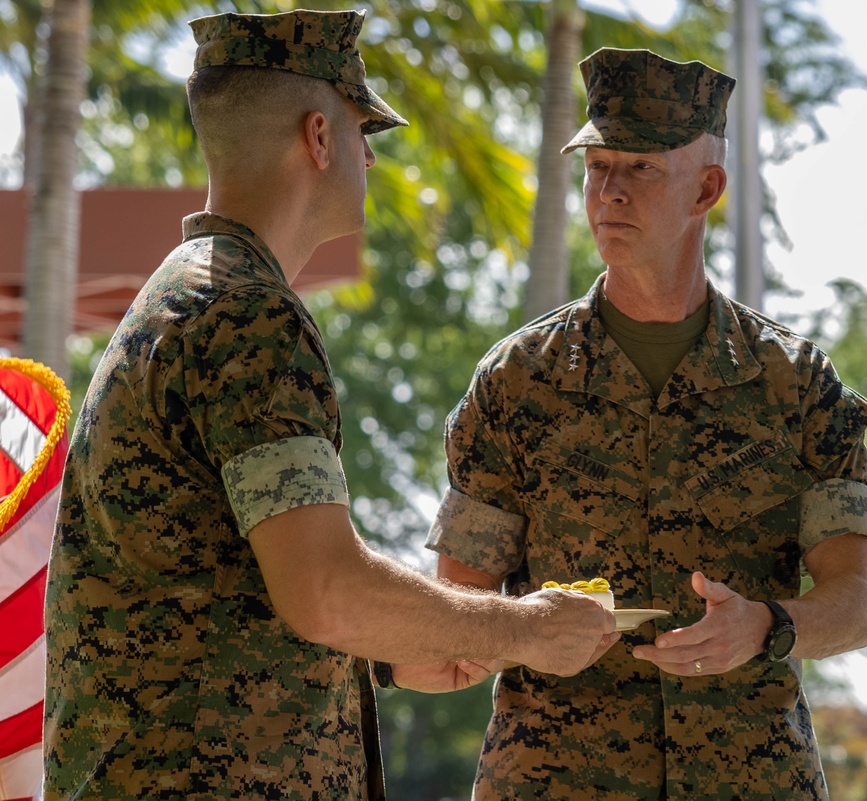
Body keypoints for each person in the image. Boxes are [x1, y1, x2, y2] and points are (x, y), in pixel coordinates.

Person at [42, 11, 617, 801]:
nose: (370, 156)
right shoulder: (246, 314)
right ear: (319, 137)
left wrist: (389, 647)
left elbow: (223, 577)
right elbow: (325, 589)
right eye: (359, 129)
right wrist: (525, 628)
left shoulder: (188, 294)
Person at [399, 48, 867, 799]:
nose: (609, 193)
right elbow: (461, 601)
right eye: (598, 167)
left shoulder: (795, 383)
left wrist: (764, 624)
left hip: (750, 778)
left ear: (707, 188)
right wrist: (516, 628)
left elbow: (855, 603)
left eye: (641, 169)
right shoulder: (516, 380)